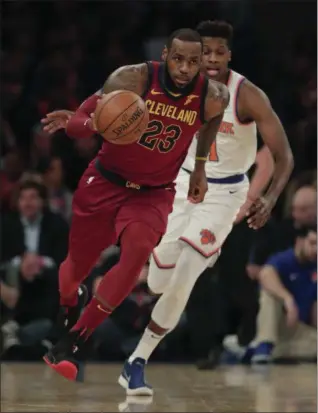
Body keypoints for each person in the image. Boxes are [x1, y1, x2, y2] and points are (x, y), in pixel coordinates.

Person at [41, 28, 230, 381]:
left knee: (137, 252)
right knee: (73, 273)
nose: (186, 68)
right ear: (164, 54)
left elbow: (211, 123)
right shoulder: (132, 77)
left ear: (202, 61)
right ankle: (71, 301)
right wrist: (92, 122)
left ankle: (73, 340)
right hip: (105, 183)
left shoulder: (213, 96)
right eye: (178, 59)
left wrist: (200, 167)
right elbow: (77, 125)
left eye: (194, 61)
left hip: (153, 192)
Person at [117, 20, 293, 396]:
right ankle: (183, 254)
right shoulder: (180, 87)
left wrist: (270, 197)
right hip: (180, 184)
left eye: (219, 52)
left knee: (186, 274)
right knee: (158, 280)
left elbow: (284, 156)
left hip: (225, 194)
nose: (211, 60)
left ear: (229, 55)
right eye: (205, 53)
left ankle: (136, 361)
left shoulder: (247, 95)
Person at [251, 226, 317, 363]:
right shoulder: (285, 259)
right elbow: (265, 274)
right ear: (299, 241)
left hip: (297, 328)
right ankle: (264, 344)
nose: (316, 250)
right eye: (312, 243)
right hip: (277, 322)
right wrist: (288, 298)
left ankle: (260, 349)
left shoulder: (314, 267)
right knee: (269, 294)